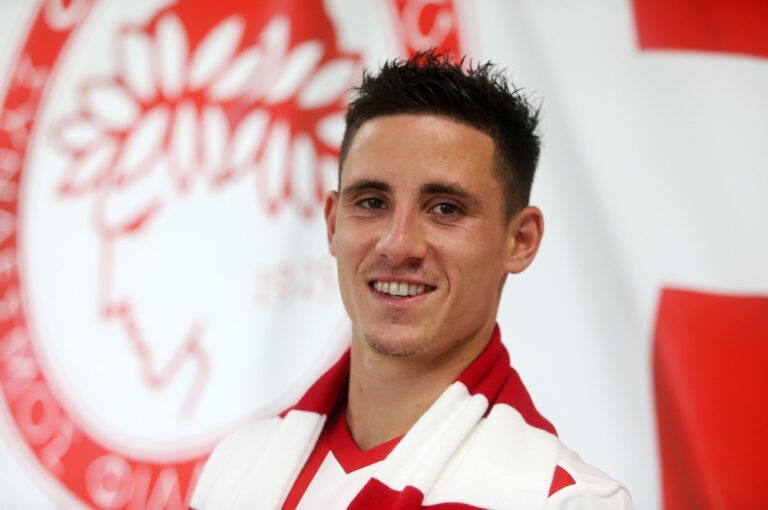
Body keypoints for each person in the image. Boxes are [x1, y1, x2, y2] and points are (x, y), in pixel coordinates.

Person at [190, 50, 633, 509]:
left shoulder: (566, 500)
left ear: (520, 240)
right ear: (333, 224)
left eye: (445, 208)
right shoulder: (236, 467)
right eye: (372, 202)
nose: (397, 245)